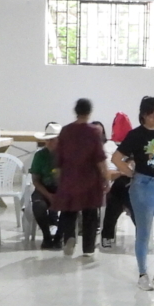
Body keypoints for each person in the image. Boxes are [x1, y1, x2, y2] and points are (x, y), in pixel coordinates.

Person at [115, 96, 154, 291]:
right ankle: (143, 274)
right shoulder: (135, 135)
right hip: (144, 185)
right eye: (151, 114)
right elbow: (116, 158)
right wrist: (130, 173)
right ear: (143, 115)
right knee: (144, 231)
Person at [54, 98, 107, 261]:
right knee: (90, 213)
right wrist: (106, 178)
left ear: (75, 111)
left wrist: (60, 178)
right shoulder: (94, 132)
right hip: (89, 179)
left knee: (69, 211)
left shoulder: (65, 131)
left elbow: (59, 158)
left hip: (69, 177)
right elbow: (100, 158)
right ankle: (88, 249)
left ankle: (70, 236)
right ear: (89, 112)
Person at [28, 135, 62, 248]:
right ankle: (46, 236)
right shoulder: (40, 155)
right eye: (47, 140)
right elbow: (35, 180)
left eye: (52, 140)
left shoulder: (67, 154)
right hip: (44, 187)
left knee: (69, 206)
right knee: (38, 205)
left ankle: (59, 236)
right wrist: (48, 195)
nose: (49, 143)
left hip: (63, 188)